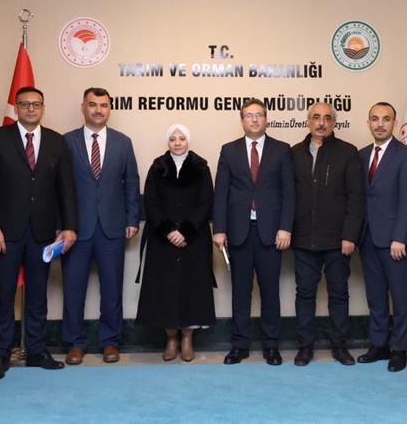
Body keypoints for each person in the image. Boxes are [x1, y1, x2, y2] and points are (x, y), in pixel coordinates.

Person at [0, 87, 77, 381]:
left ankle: (36, 350)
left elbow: (66, 189)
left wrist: (69, 226)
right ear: (16, 108)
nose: (31, 108)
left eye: (36, 104)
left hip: (43, 233)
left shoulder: (57, 141)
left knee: (37, 295)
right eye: (25, 104)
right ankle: (1, 353)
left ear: (43, 107)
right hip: (5, 232)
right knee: (4, 294)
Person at [213, 98, 295, 366]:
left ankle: (271, 346)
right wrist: (219, 229)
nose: (255, 119)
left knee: (270, 291)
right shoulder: (229, 150)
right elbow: (221, 192)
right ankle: (240, 345)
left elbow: (289, 193)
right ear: (242, 120)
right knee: (241, 292)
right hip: (239, 232)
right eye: (249, 115)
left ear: (266, 119)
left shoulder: (281, 150)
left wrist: (285, 227)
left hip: (271, 233)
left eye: (259, 114)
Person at [62, 88, 140, 365]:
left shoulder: (123, 142)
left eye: (104, 105)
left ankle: (110, 342)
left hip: (112, 227)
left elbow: (132, 182)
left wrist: (132, 219)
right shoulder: (66, 141)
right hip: (75, 229)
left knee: (112, 289)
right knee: (73, 289)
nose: (98, 110)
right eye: (93, 104)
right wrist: (62, 225)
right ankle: (74, 343)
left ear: (109, 109)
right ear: (83, 107)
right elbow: (59, 186)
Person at [291, 102, 364, 366]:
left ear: (334, 123)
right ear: (308, 121)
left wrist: (350, 236)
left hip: (337, 241)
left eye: (327, 118)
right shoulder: (294, 153)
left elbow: (356, 198)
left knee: (339, 294)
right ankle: (305, 347)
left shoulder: (348, 152)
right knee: (304, 295)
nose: (321, 123)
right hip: (303, 239)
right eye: (316, 117)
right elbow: (287, 196)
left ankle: (339, 346)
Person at [135, 124, 216, 361]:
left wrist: (186, 232)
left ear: (188, 141)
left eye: (181, 138)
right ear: (168, 142)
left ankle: (188, 338)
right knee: (165, 289)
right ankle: (171, 339)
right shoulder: (157, 167)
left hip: (194, 239)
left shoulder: (201, 167)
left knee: (192, 289)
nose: (177, 143)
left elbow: (206, 202)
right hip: (163, 240)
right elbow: (151, 203)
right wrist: (169, 231)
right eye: (173, 139)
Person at [357, 102, 407, 372]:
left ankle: (400, 348)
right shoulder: (361, 155)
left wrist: (400, 237)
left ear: (394, 123)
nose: (380, 124)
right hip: (367, 237)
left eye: (385, 119)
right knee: (375, 296)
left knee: (399, 297)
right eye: (375, 119)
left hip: (394, 240)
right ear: (368, 123)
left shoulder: (406, 155)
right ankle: (379, 344)